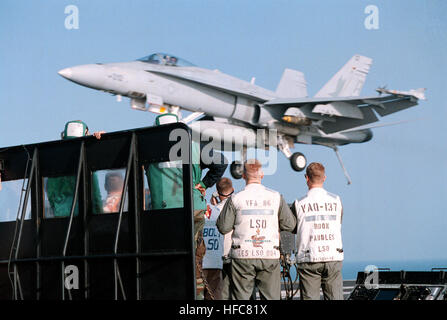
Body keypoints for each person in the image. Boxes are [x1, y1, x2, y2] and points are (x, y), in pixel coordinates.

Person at [145, 113, 227, 299]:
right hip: (193, 209)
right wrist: (204, 184)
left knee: (166, 259)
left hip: (162, 213)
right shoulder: (194, 146)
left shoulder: (148, 148)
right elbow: (221, 162)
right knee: (194, 258)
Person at [216, 159, 296, 300]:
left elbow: (223, 227)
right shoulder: (275, 197)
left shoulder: (235, 198)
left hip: (242, 255)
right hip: (269, 254)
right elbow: (290, 225)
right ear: (262, 175)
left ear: (243, 176)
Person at [293, 162, 344, 300]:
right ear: (324, 178)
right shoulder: (336, 200)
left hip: (309, 258)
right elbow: (339, 221)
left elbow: (292, 227)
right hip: (333, 255)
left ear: (306, 178)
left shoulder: (299, 203)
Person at [46, 120, 104, 217]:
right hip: (88, 218)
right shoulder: (88, 163)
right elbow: (95, 194)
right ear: (86, 134)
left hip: (61, 217)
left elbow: (51, 194)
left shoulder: (55, 163)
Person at [202, 177, 234, 300]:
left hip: (211, 258)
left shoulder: (215, 209)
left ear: (217, 192)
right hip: (231, 255)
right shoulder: (235, 205)